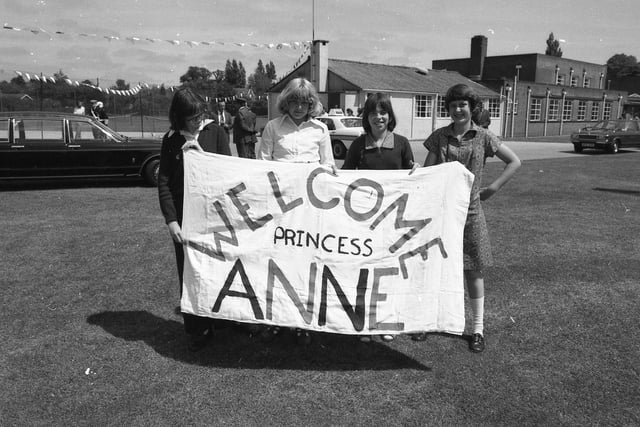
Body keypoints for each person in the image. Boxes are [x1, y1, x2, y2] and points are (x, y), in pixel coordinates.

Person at [417, 83, 521, 353]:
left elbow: (515, 161)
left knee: (473, 269)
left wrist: (493, 188)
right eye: (453, 106)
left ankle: (477, 329)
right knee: (436, 267)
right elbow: (427, 172)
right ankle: (429, 322)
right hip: (441, 212)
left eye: (463, 105)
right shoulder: (439, 136)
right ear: (448, 109)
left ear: (471, 108)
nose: (458, 110)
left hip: (471, 212)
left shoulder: (484, 137)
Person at [257, 77, 336, 345]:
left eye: (305, 101)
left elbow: (328, 166)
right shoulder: (272, 127)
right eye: (294, 101)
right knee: (278, 261)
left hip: (311, 210)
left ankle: (304, 321)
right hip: (280, 208)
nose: (300, 107)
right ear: (286, 102)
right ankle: (276, 319)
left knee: (306, 262)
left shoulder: (320, 130)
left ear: (311, 103)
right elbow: (262, 166)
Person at [158, 87, 232, 352]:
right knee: (190, 272)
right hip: (185, 218)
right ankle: (197, 328)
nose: (198, 120)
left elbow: (229, 171)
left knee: (219, 267)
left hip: (214, 216)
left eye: (201, 114)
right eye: (192, 117)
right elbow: (164, 182)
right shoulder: (171, 140)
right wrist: (171, 221)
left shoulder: (216, 132)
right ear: (179, 117)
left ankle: (223, 319)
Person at [342, 92, 415, 343]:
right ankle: (363, 321)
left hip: (393, 221)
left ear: (389, 116)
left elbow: (412, 178)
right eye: (373, 113)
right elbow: (344, 177)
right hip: (365, 221)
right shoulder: (358, 145)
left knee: (389, 269)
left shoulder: (403, 143)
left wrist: (416, 173)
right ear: (367, 117)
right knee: (365, 271)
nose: (378, 117)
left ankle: (387, 319)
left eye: (383, 112)